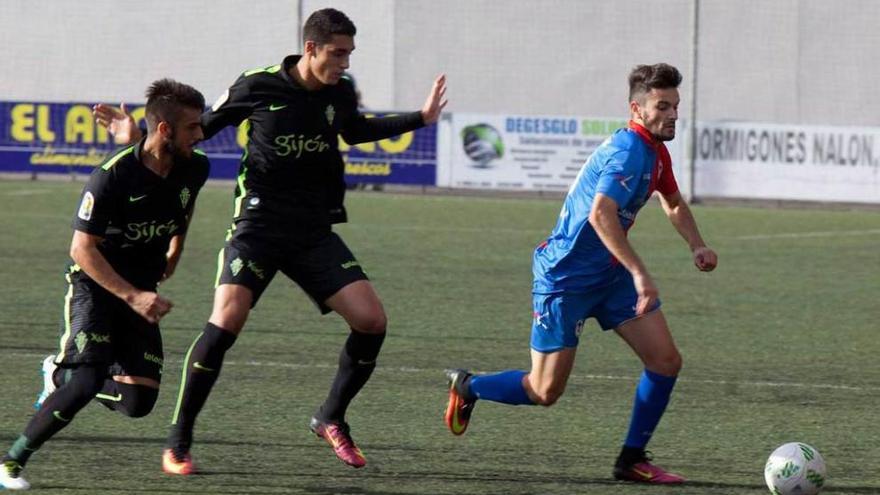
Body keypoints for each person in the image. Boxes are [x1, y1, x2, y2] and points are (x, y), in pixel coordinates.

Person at [94, 7, 446, 474]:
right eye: (338, 53)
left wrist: (420, 118)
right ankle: (178, 443)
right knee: (227, 321)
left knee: (372, 320)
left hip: (311, 230)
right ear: (310, 48)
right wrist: (136, 137)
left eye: (349, 54)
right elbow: (198, 131)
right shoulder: (257, 85)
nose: (345, 63)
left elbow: (355, 130)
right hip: (257, 226)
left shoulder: (340, 90)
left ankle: (330, 417)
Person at [444, 63, 717, 485]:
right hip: (565, 279)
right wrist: (641, 274)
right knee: (544, 392)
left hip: (609, 276)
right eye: (663, 106)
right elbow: (601, 214)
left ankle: (630, 459)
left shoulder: (656, 153)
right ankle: (469, 386)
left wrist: (696, 244)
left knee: (665, 361)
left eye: (676, 106)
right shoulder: (627, 151)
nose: (673, 115)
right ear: (637, 109)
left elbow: (674, 203)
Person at [0, 79, 209, 491]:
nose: (201, 135)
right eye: (192, 128)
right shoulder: (110, 177)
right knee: (86, 381)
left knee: (139, 403)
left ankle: (57, 377)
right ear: (164, 130)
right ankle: (11, 464)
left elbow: (184, 207)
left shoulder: (194, 167)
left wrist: (175, 249)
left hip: (142, 287)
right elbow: (81, 249)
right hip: (95, 284)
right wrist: (133, 296)